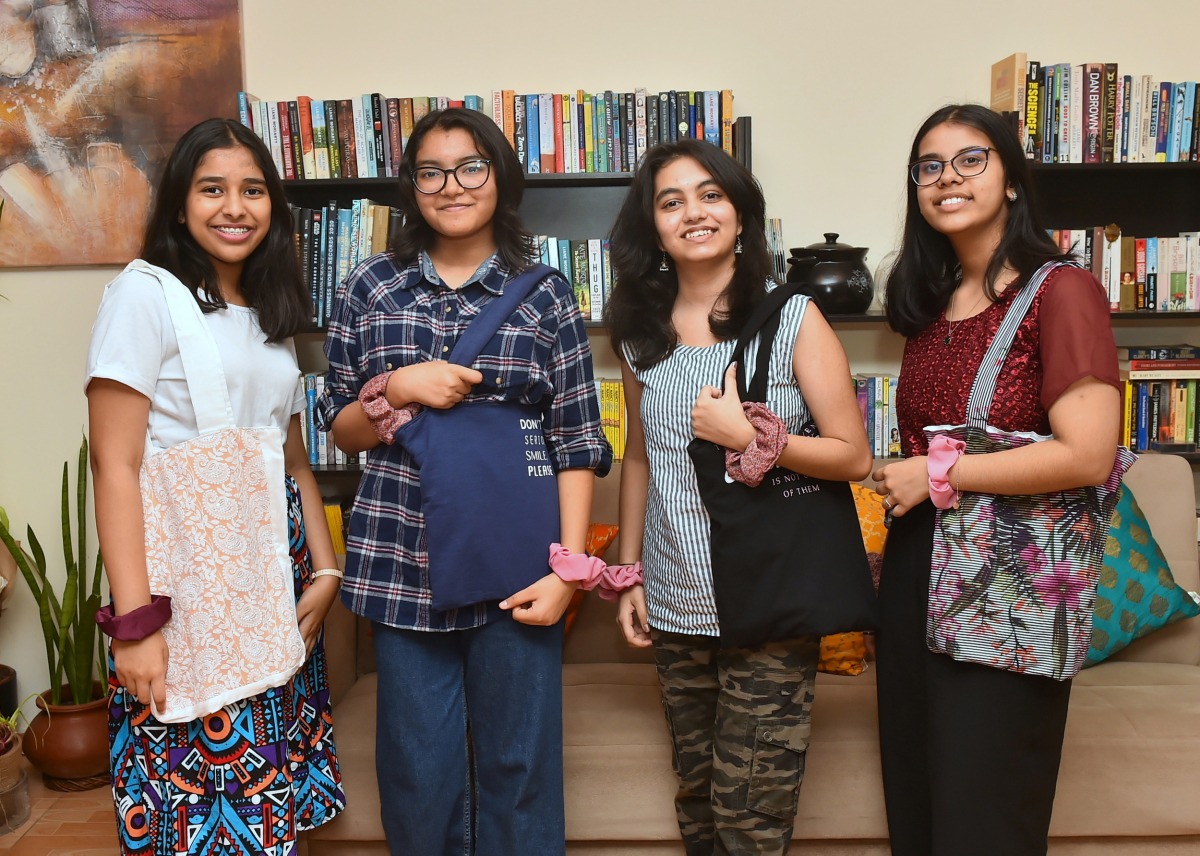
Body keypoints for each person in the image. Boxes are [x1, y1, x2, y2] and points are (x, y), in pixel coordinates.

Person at [316, 107, 611, 856]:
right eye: (431, 171)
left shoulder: (546, 294)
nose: (452, 186)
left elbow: (577, 439)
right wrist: (401, 385)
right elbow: (340, 428)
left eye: (471, 166)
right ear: (411, 187)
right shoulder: (369, 288)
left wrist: (569, 574)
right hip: (399, 564)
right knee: (418, 775)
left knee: (521, 770)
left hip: (518, 562)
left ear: (500, 179)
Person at [605, 138, 873, 855]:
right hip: (675, 602)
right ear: (652, 226)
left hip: (768, 604)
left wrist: (749, 436)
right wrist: (630, 571)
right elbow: (638, 455)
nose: (693, 212)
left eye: (710, 194)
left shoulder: (794, 319)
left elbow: (855, 456)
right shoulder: (638, 338)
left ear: (742, 215)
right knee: (697, 801)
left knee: (749, 817)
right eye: (671, 201)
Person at [86, 118, 346, 855]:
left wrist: (325, 569)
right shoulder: (144, 296)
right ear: (178, 205)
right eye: (213, 189)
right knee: (195, 808)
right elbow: (116, 464)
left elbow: (293, 461)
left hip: (274, 575)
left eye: (253, 190)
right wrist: (135, 625)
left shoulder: (271, 315)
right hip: (189, 588)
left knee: (272, 811)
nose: (235, 207)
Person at [871, 104, 1122, 856]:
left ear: (1012, 178)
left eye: (970, 159)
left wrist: (938, 472)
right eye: (929, 166)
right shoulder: (929, 309)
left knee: (985, 819)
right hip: (918, 568)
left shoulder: (1060, 292)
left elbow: (1087, 454)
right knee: (917, 808)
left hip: (1009, 581)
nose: (947, 178)